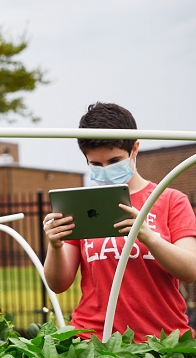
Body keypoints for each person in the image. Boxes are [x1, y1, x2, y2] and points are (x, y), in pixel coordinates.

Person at [43, 102, 196, 343]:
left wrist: (148, 237)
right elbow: (58, 284)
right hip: (92, 339)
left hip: (161, 339)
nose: (105, 170)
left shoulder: (170, 200)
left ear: (134, 149)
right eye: (95, 164)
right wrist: (54, 245)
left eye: (114, 161)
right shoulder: (80, 204)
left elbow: (190, 270)